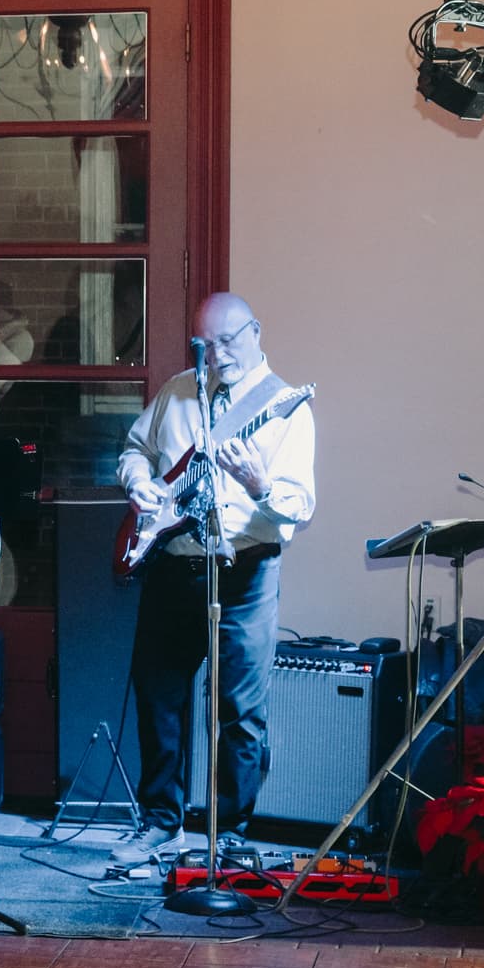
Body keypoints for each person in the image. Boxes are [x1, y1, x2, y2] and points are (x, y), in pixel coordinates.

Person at [119, 291, 318, 836]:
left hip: (245, 571)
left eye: (227, 342)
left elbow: (300, 505)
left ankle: (228, 835)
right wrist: (138, 482)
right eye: (205, 345)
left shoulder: (287, 407)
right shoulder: (178, 390)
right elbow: (136, 450)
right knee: (158, 698)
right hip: (173, 564)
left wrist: (260, 485)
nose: (217, 355)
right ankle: (160, 823)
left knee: (240, 711)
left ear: (255, 332)